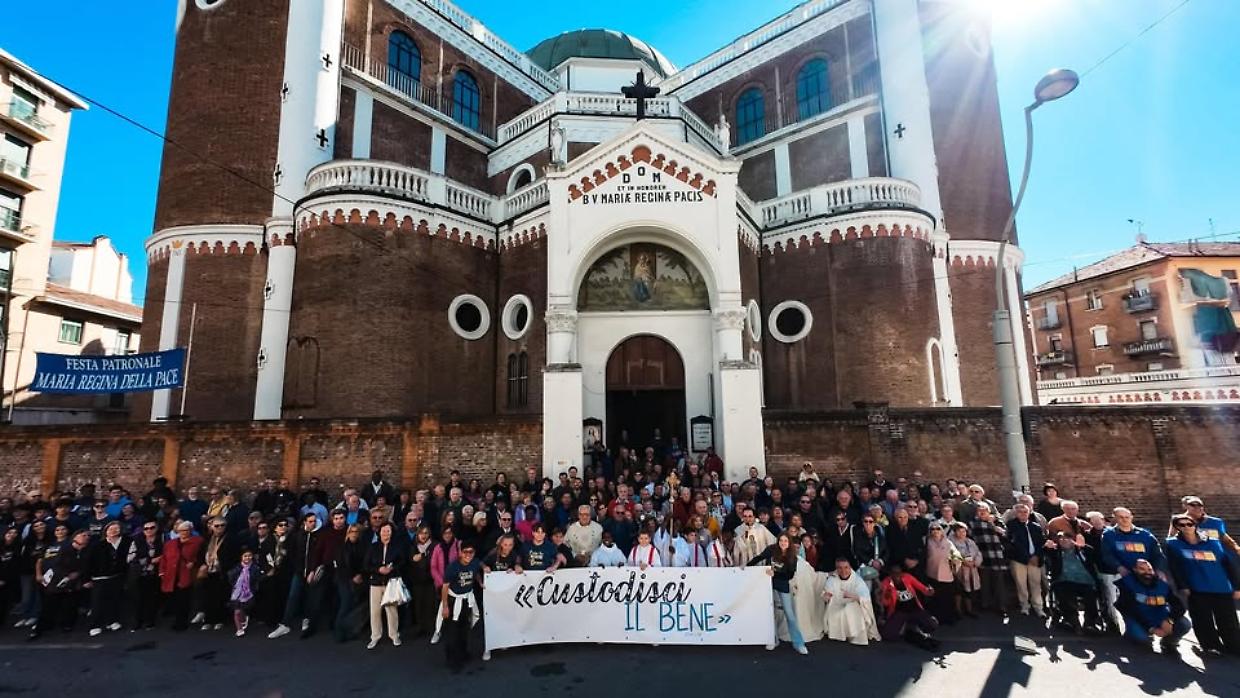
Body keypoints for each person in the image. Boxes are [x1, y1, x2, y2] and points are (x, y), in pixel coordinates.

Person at [1165, 513, 1240, 657]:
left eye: (1190, 524)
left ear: (1195, 525)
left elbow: (1227, 564)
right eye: (1182, 525)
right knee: (1202, 620)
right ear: (1177, 527)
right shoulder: (1173, 544)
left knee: (1228, 619)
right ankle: (1211, 646)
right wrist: (1183, 586)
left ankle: (1234, 646)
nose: (1186, 527)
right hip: (1196, 588)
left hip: (1221, 586)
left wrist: (1237, 586)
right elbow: (1175, 567)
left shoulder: (1212, 542)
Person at [269, 512, 327, 639]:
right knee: (293, 596)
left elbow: (318, 554)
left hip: (312, 572)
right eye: (310, 521)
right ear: (305, 522)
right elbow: (293, 553)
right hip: (299, 571)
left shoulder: (320, 535)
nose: (313, 523)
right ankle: (285, 624)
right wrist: (297, 568)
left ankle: (307, 620)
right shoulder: (298, 535)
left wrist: (313, 570)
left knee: (310, 597)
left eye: (314, 521)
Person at [1115, 558, 1190, 656]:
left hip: (1160, 617)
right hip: (1138, 619)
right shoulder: (1126, 584)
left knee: (1185, 624)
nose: (1147, 572)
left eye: (1149, 569)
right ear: (1135, 570)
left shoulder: (1162, 584)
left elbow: (1179, 605)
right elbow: (1128, 609)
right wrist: (1151, 629)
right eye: (1142, 569)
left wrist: (1169, 620)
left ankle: (1168, 642)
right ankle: (1131, 635)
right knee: (1141, 639)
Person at [748, 532, 807, 654]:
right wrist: (746, 567)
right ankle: (773, 639)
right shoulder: (771, 549)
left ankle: (798, 643)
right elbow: (759, 558)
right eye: (781, 540)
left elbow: (789, 575)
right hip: (768, 584)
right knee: (769, 613)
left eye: (785, 541)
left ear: (789, 543)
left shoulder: (792, 557)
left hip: (783, 585)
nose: (783, 543)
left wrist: (775, 574)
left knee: (789, 614)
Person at [29, 529, 91, 640]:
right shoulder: (65, 548)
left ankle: (67, 625)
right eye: (83, 535)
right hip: (56, 580)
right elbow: (55, 564)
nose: (86, 537)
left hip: (74, 583)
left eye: (88, 536)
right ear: (75, 537)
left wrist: (78, 574)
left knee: (70, 605)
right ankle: (39, 629)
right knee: (49, 605)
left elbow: (86, 566)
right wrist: (66, 575)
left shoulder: (87, 551)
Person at [1047, 533, 1102, 634]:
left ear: (1073, 540)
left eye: (1066, 538)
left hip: (1085, 581)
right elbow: (1044, 551)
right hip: (1064, 581)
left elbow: (1094, 553)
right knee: (1065, 592)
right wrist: (1047, 546)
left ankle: (1090, 623)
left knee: (1091, 594)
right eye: (1061, 538)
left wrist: (1083, 546)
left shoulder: (1082, 551)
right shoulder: (1056, 552)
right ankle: (1072, 620)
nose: (1063, 540)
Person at [441, 541, 483, 671]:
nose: (468, 555)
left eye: (471, 552)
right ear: (460, 552)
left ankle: (463, 653)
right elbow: (445, 587)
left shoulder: (474, 563)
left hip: (467, 599)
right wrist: (445, 606)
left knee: (464, 629)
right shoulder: (452, 567)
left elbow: (477, 570)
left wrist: (480, 582)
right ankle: (452, 660)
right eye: (465, 552)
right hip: (454, 601)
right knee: (453, 632)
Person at [879, 560, 938, 649]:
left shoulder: (907, 577)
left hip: (915, 609)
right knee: (888, 636)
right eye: (894, 573)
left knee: (932, 625)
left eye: (899, 573)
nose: (897, 576)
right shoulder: (885, 583)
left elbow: (923, 588)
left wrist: (929, 591)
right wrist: (886, 597)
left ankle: (912, 624)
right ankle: (906, 625)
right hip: (900, 612)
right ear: (890, 574)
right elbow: (884, 603)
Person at [86, 521, 131, 636]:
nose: (113, 531)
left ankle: (112, 621)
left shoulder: (126, 542)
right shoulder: (97, 545)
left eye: (116, 529)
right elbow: (88, 562)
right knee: (97, 603)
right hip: (99, 578)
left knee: (114, 600)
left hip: (116, 576)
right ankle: (95, 625)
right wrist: (86, 579)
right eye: (110, 529)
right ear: (105, 531)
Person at [822, 557, 879, 646]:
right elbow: (827, 593)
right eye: (840, 568)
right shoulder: (832, 579)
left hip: (853, 605)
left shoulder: (857, 580)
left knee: (849, 609)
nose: (843, 571)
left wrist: (852, 596)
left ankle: (854, 635)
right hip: (836, 605)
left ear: (850, 567)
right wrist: (826, 595)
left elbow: (865, 598)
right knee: (838, 611)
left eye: (846, 567)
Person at [364, 522, 403, 649]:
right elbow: (366, 565)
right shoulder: (373, 547)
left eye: (388, 531)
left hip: (390, 583)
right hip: (375, 582)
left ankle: (394, 635)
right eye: (384, 531)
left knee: (392, 610)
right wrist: (378, 569)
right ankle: (375, 636)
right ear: (379, 532)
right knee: (375, 611)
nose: (386, 533)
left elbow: (402, 562)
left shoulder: (396, 547)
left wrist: (392, 569)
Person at [159, 521, 203, 631]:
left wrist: (194, 562)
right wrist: (162, 571)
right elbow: (164, 558)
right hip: (171, 575)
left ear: (191, 531)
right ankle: (177, 620)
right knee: (174, 599)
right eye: (181, 530)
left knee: (184, 599)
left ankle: (182, 622)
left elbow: (201, 555)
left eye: (185, 530)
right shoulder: (170, 543)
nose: (183, 532)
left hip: (187, 574)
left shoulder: (198, 541)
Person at [1006, 503, 1046, 618]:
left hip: (1035, 559)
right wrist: (1027, 557)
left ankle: (1038, 607)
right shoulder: (1011, 525)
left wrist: (1037, 556)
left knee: (1036, 584)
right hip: (1019, 560)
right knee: (1021, 584)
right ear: (1016, 514)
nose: (1023, 514)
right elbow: (1013, 543)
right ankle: (1024, 606)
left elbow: (1041, 543)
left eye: (1025, 512)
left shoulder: (1035, 526)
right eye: (1020, 512)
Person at [969, 508, 1008, 614]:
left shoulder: (997, 522)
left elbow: (1005, 534)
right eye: (979, 511)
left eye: (984, 511)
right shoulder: (973, 523)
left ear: (989, 512)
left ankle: (1001, 606)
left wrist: (992, 524)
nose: (982, 513)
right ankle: (985, 604)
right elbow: (970, 537)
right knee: (984, 582)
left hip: (997, 555)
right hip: (982, 555)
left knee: (999, 583)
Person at [1171, 496, 1239, 556]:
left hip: (1215, 556)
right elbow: (1172, 538)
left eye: (1199, 505)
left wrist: (1237, 549)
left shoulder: (1215, 522)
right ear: (1185, 506)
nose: (1197, 507)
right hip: (1190, 556)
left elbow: (1225, 538)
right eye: (1192, 505)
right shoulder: (1179, 521)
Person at [922, 523, 960, 625]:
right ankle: (936, 620)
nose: (935, 531)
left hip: (946, 574)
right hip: (932, 574)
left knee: (947, 598)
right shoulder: (926, 541)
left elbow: (956, 555)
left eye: (938, 529)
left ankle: (948, 618)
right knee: (935, 598)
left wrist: (955, 561)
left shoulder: (948, 542)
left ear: (942, 531)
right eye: (933, 529)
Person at [228, 549, 264, 637]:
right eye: (245, 556)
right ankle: (239, 629)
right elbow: (231, 577)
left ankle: (244, 618)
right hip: (237, 592)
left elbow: (258, 579)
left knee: (242, 610)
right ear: (241, 557)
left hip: (249, 593)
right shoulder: (237, 567)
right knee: (237, 611)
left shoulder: (255, 568)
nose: (247, 558)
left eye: (249, 556)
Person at [950, 521, 981, 618]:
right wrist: (963, 561)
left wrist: (975, 562)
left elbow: (978, 553)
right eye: (959, 531)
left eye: (964, 531)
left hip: (971, 569)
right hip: (958, 569)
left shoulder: (970, 542)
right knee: (958, 590)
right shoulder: (951, 542)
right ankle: (958, 610)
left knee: (969, 590)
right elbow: (952, 554)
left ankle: (969, 610)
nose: (962, 533)